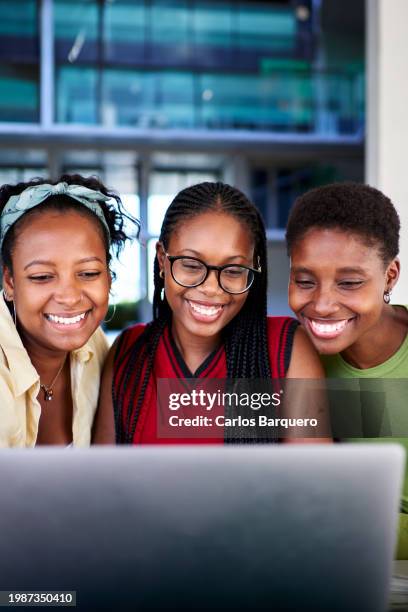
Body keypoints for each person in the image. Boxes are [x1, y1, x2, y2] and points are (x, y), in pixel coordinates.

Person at [94, 181, 326, 445]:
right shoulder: (128, 353)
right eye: (191, 265)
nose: (211, 288)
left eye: (234, 271)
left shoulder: (287, 349)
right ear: (161, 259)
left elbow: (314, 483)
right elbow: (105, 481)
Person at [285, 181, 408, 558]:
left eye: (350, 283)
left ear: (389, 277)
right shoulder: (289, 355)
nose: (322, 305)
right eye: (304, 281)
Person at [0, 174, 137, 447]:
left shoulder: (96, 348)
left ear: (109, 277)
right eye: (42, 277)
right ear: (10, 282)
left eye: (88, 273)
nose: (70, 297)